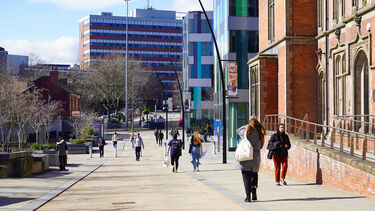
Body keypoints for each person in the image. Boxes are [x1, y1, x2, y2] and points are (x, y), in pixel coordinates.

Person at [236, 117, 266, 202]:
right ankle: (254, 193)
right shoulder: (260, 134)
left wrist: (247, 126)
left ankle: (248, 196)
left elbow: (238, 130)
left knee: (246, 176)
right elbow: (261, 146)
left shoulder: (246, 131)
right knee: (254, 175)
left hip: (246, 156)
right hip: (256, 158)